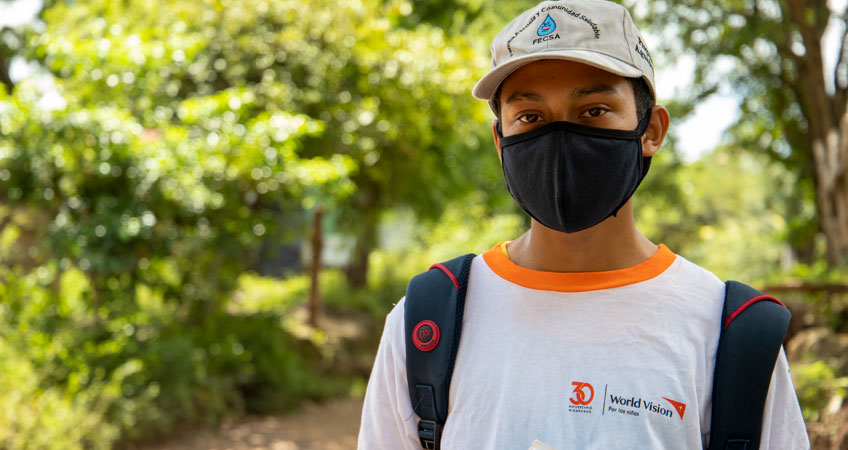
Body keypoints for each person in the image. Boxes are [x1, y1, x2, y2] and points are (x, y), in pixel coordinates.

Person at [357, 0, 810, 448]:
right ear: (500, 141)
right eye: (530, 117)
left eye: (593, 110)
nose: (558, 138)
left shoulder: (730, 335)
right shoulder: (426, 324)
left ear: (651, 130)